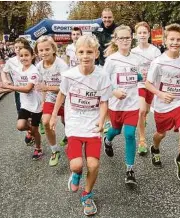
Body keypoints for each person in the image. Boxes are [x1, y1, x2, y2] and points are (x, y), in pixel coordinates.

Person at [50, 35, 111, 216]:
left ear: (96, 54)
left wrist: (102, 120)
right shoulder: (69, 75)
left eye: (89, 52)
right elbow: (61, 94)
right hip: (74, 124)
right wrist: (54, 115)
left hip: (92, 125)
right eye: (81, 52)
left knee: (93, 165)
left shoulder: (102, 76)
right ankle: (76, 174)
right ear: (75, 54)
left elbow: (103, 101)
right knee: (77, 165)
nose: (85, 56)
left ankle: (87, 195)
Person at [145, 23, 180, 182]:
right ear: (165, 41)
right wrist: (160, 94)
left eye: (179, 39)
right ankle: (155, 148)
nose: (175, 42)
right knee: (161, 134)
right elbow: (148, 84)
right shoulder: (158, 62)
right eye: (172, 39)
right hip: (162, 106)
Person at [103, 25, 142, 185]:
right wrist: (114, 91)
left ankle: (130, 170)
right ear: (116, 40)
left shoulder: (136, 58)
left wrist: (141, 77)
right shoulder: (111, 60)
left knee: (130, 134)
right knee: (116, 130)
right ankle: (107, 140)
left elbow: (137, 75)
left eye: (127, 37)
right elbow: (104, 81)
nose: (125, 40)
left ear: (131, 39)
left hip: (132, 105)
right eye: (121, 38)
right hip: (116, 105)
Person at [0, 45, 43, 160]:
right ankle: (31, 132)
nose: (23, 58)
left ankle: (38, 148)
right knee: (20, 126)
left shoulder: (34, 71)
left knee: (35, 130)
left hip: (36, 105)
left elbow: (27, 88)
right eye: (21, 55)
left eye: (26, 55)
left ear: (32, 56)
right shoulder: (17, 71)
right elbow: (17, 87)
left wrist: (9, 87)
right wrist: (1, 91)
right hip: (25, 104)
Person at [34, 35, 69, 167]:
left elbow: (65, 88)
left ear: (53, 49)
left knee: (67, 122)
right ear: (37, 52)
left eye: (47, 49)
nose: (44, 53)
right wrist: (43, 102)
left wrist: (47, 87)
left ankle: (69, 137)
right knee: (46, 121)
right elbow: (41, 86)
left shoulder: (61, 65)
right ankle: (55, 151)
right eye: (41, 50)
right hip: (50, 98)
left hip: (66, 98)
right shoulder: (38, 66)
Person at [131, 21, 161, 156]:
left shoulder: (155, 51)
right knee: (141, 111)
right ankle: (142, 141)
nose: (142, 35)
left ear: (149, 34)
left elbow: (159, 69)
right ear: (135, 35)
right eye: (140, 33)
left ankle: (143, 120)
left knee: (147, 111)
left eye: (144, 32)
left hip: (151, 85)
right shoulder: (133, 52)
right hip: (139, 85)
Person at [0, 37, 30, 116]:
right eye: (16, 47)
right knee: (22, 118)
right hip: (19, 91)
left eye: (20, 48)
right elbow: (4, 71)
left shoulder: (32, 59)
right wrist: (5, 81)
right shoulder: (11, 61)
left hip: (32, 91)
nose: (17, 49)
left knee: (34, 116)